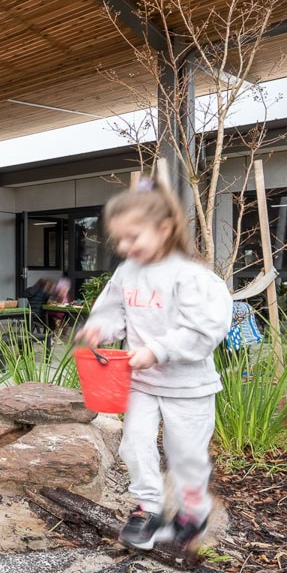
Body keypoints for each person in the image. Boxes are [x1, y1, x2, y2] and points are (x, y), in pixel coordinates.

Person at [78, 176, 232, 553]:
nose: (126, 247)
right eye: (120, 240)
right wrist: (100, 329)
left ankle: (191, 513)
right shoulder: (128, 272)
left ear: (164, 229)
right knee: (134, 445)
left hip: (188, 387)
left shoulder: (193, 277)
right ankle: (148, 508)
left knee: (185, 453)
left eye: (134, 237)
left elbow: (205, 329)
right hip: (142, 382)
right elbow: (113, 309)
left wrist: (157, 350)